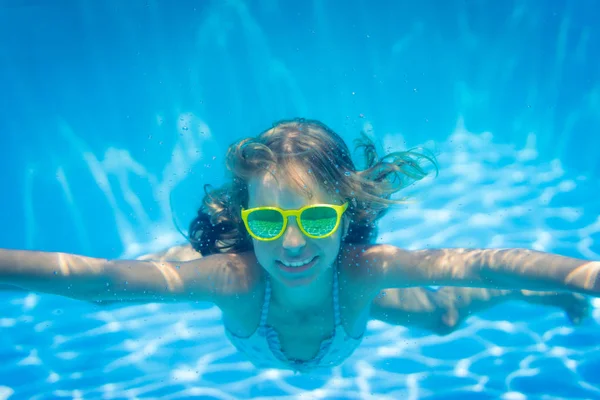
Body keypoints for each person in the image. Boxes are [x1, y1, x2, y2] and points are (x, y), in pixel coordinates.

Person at [0, 118, 598, 373]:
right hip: (240, 270)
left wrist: (582, 276)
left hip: (341, 285)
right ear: (251, 217)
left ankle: (544, 296)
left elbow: (471, 267)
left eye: (314, 219)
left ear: (344, 216)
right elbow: (106, 283)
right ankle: (208, 237)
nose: (290, 243)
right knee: (186, 262)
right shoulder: (237, 279)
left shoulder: (364, 271)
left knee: (444, 315)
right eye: (267, 221)